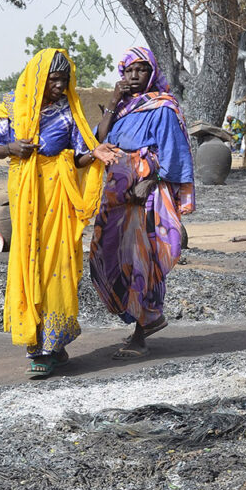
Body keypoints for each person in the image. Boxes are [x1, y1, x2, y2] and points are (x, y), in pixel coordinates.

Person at [0, 48, 119, 379]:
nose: (60, 86)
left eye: (64, 79)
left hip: (58, 197)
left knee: (56, 266)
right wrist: (12, 149)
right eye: (54, 79)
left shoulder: (68, 112)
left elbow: (77, 157)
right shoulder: (13, 104)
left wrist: (96, 155)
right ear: (38, 77)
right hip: (27, 196)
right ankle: (37, 343)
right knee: (29, 262)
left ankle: (51, 346)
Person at [89, 47, 195, 359]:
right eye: (129, 70)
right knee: (107, 253)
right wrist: (111, 103)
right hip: (116, 195)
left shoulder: (163, 107)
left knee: (143, 260)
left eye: (141, 70)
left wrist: (150, 181)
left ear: (152, 73)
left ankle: (141, 329)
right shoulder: (121, 108)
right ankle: (148, 318)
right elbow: (99, 141)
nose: (134, 76)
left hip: (148, 195)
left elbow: (174, 152)